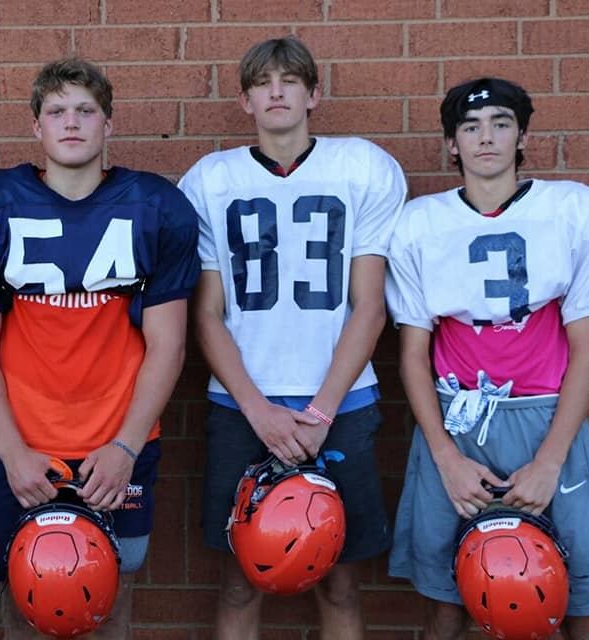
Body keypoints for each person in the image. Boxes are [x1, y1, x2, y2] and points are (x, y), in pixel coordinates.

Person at [0, 57, 199, 638]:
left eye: (86, 110)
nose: (71, 122)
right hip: (24, 446)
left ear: (108, 125)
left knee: (107, 598)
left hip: (116, 449)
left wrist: (126, 447)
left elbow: (170, 343)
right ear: (36, 127)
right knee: (23, 600)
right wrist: (12, 452)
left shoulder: (154, 207)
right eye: (56, 111)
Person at [178, 37, 406, 640]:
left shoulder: (362, 167)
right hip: (241, 405)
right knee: (238, 577)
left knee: (338, 580)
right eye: (263, 82)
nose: (276, 91)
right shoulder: (211, 179)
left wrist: (320, 410)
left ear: (314, 94)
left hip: (342, 402)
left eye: (290, 80)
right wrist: (259, 411)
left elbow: (369, 306)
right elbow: (207, 315)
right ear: (246, 100)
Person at [385, 77, 589, 639]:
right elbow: (412, 355)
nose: (485, 138)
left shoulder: (575, 212)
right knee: (446, 601)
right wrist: (445, 457)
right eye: (470, 127)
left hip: (544, 417)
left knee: (579, 597)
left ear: (522, 136)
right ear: (452, 144)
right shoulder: (421, 224)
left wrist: (549, 460)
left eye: (500, 124)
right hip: (455, 418)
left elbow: (588, 349)